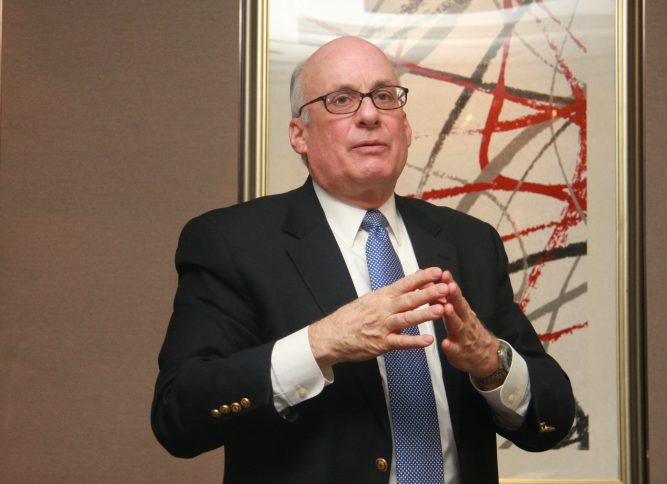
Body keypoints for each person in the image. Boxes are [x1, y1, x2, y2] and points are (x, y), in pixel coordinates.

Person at [151, 36, 575, 484]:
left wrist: (491, 362)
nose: (370, 115)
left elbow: (552, 418)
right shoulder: (232, 242)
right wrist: (320, 344)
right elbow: (178, 415)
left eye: (384, 97)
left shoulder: (469, 242)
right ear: (299, 134)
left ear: (405, 129)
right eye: (341, 100)